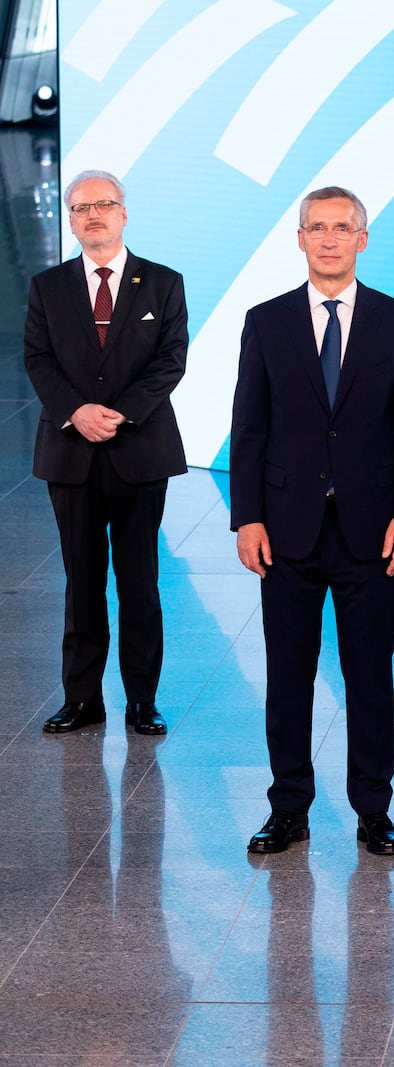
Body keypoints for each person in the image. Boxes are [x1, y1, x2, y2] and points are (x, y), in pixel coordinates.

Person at [230, 186, 394, 856]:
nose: (329, 239)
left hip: (372, 532)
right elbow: (249, 428)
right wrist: (246, 518)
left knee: (370, 673)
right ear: (299, 237)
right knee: (287, 675)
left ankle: (374, 808)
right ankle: (288, 807)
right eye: (316, 227)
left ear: (363, 239)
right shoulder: (266, 321)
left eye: (342, 227)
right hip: (285, 531)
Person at [24, 169, 187, 736]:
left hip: (138, 450)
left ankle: (142, 699)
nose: (92, 215)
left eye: (103, 205)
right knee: (82, 580)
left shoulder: (163, 283)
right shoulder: (47, 286)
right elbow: (38, 359)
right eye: (80, 207)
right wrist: (77, 412)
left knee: (139, 581)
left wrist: (117, 414)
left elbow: (171, 360)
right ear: (70, 219)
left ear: (123, 213)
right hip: (70, 454)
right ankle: (82, 699)